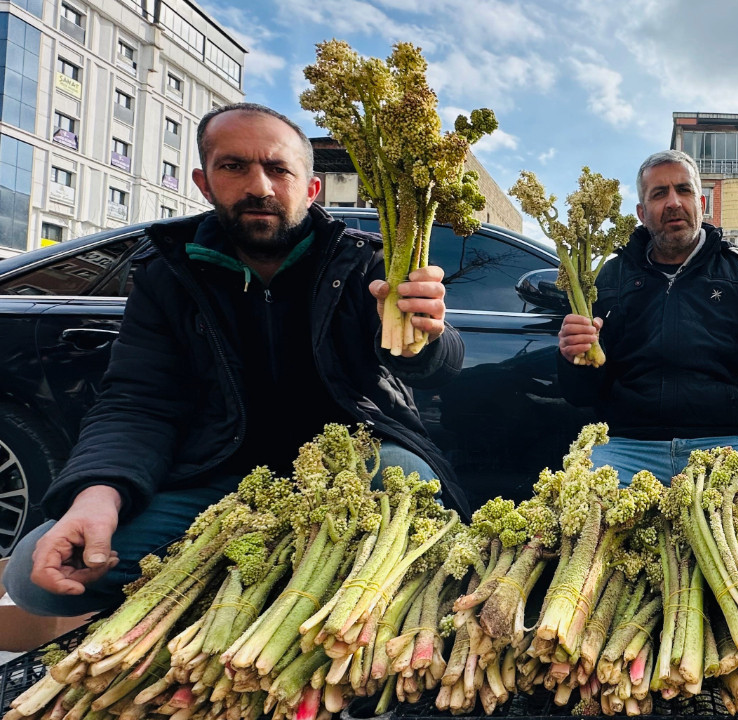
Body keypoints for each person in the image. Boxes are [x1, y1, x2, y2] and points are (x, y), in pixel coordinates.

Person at [4, 103, 467, 617]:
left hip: (354, 464)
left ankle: (262, 598)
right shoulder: (167, 274)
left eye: (278, 169)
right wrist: (99, 492)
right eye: (234, 167)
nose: (260, 187)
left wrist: (428, 332)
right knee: (35, 576)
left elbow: (441, 368)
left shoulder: (366, 260)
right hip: (215, 475)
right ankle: (258, 595)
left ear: (310, 189)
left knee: (409, 484)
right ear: (204, 183)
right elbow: (137, 401)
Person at [557, 150, 738, 482]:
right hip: (624, 446)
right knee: (576, 520)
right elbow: (581, 395)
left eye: (684, 190)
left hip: (726, 444)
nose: (674, 202)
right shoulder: (608, 277)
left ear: (700, 202)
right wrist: (571, 356)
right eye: (659, 194)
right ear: (642, 212)